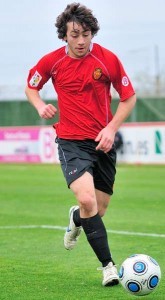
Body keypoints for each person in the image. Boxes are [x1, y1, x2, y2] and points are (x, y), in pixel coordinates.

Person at [25, 2, 136, 287]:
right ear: (64, 35)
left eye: (86, 34)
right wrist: (39, 105)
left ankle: (77, 217)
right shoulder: (52, 62)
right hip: (71, 141)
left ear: (92, 33)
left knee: (96, 210)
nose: (81, 41)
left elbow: (128, 97)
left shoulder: (107, 60)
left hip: (102, 143)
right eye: (75, 35)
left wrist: (111, 128)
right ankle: (108, 266)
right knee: (86, 199)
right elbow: (31, 85)